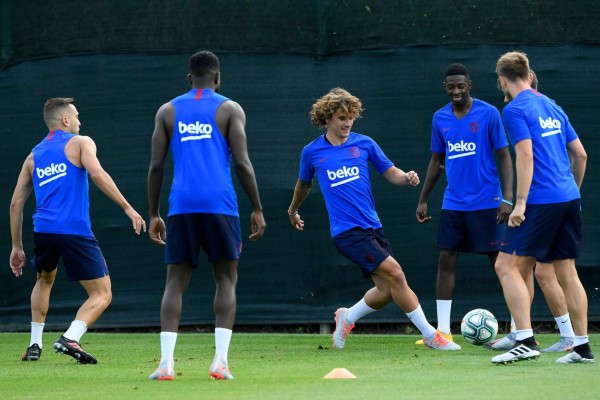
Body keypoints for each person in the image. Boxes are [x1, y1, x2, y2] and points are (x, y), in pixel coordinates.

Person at [288, 87, 460, 352]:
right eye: (341, 117)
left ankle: (348, 317)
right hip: (347, 232)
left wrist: (406, 178)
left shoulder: (364, 143)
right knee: (397, 274)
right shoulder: (312, 152)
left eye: (351, 117)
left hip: (373, 227)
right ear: (327, 118)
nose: (347, 123)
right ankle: (431, 335)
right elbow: (304, 184)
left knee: (388, 290)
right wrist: (293, 209)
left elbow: (390, 171)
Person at [147, 50, 266, 381]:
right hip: (220, 206)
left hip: (181, 206)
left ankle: (166, 363)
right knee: (226, 280)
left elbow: (156, 166)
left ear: (189, 79)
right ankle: (220, 363)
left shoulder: (168, 111)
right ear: (218, 78)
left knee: (175, 283)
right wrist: (256, 207)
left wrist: (154, 213)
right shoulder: (229, 108)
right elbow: (242, 163)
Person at [9, 97, 146, 364]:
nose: (80, 121)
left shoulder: (33, 155)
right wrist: (128, 208)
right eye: (77, 116)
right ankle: (71, 336)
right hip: (74, 230)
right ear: (65, 120)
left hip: (44, 230)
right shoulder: (81, 143)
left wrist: (17, 247)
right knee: (102, 293)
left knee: (44, 280)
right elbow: (97, 174)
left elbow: (16, 203)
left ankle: (35, 345)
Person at [491, 51, 593, 364]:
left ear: (503, 81)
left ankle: (525, 340)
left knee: (505, 266)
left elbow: (525, 156)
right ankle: (582, 348)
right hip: (566, 198)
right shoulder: (551, 104)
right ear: (531, 75)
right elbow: (581, 155)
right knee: (566, 271)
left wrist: (520, 203)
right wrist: (570, 193)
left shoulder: (514, 110)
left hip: (540, 200)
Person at [414, 63, 513, 345]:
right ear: (445, 87)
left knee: (501, 264)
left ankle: (519, 328)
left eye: (461, 85)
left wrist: (507, 198)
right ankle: (443, 332)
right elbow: (437, 161)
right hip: (454, 203)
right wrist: (423, 199)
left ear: (469, 85)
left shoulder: (489, 113)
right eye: (451, 86)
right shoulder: (439, 118)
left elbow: (505, 157)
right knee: (446, 259)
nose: (456, 91)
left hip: (488, 202)